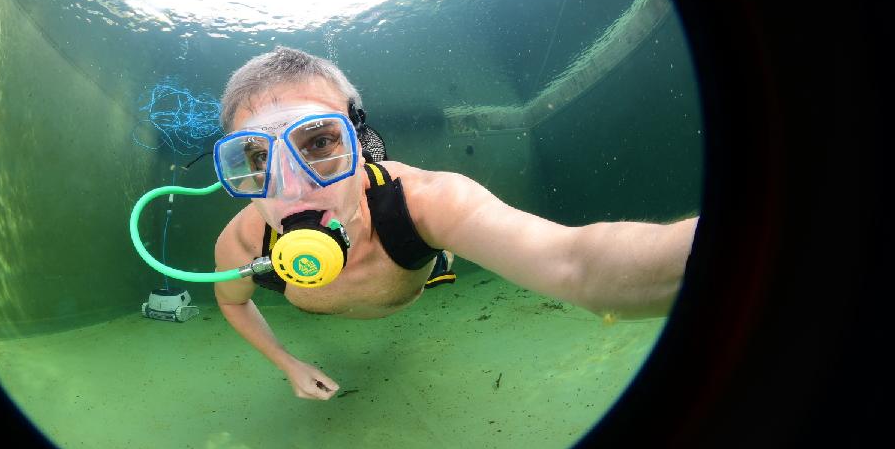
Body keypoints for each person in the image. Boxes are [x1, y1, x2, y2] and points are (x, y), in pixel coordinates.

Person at [212, 47, 698, 400]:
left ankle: (441, 252)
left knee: (438, 247)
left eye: (319, 143)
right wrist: (288, 363)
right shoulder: (242, 243)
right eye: (254, 157)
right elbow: (232, 305)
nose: (291, 186)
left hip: (418, 260)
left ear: (360, 142)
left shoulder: (425, 201)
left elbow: (576, 263)